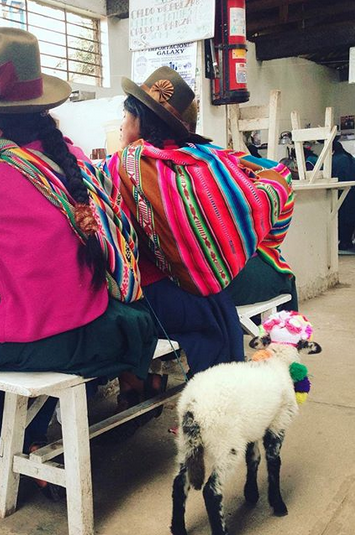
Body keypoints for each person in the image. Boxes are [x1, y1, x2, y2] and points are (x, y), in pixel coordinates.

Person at [0, 27, 157, 493]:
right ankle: (33, 441)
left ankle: (25, 452)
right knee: (38, 363)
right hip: (96, 326)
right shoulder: (70, 159)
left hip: (38, 335)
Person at [100, 66, 295, 379]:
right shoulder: (206, 161)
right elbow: (274, 178)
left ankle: (151, 386)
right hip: (207, 289)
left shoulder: (123, 165)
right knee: (214, 317)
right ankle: (212, 405)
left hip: (148, 294)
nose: (122, 124)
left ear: (139, 120)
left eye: (126, 115)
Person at [332, 138, 355, 251]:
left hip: (340, 193)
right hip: (352, 193)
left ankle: (344, 242)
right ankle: (347, 242)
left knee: (341, 217)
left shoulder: (334, 160)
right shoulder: (350, 158)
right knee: (350, 217)